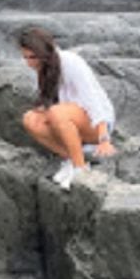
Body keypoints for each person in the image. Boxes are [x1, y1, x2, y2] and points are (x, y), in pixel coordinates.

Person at [19, 27, 116, 191]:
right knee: (30, 118)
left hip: (95, 123)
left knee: (56, 112)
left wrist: (104, 139)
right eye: (26, 58)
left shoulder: (71, 62)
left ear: (44, 53)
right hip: (69, 120)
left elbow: (93, 101)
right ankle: (72, 157)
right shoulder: (44, 69)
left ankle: (81, 169)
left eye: (33, 57)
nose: (30, 63)